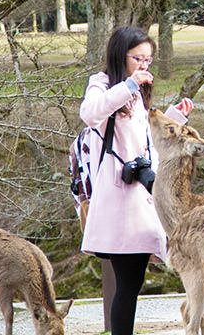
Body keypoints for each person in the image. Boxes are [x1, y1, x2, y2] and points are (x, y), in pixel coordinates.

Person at [79, 26, 193, 335]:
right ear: (121, 55)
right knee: (128, 283)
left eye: (148, 60)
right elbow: (89, 114)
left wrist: (175, 117)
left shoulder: (138, 93)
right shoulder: (102, 84)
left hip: (142, 195)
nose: (144, 65)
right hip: (119, 198)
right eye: (138, 58)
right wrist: (129, 85)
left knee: (132, 282)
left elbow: (144, 141)